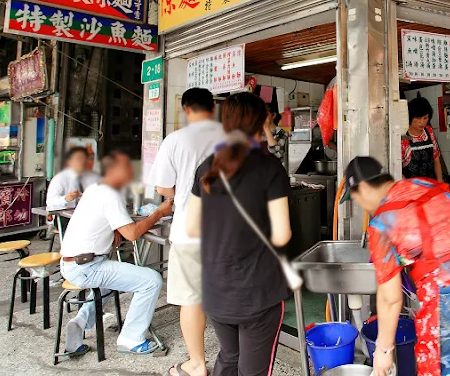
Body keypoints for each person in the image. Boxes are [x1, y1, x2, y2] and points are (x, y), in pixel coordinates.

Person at [344, 157, 450, 376]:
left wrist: (383, 350)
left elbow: (390, 298)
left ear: (364, 188)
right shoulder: (425, 185)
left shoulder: (381, 224)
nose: (359, 205)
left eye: (355, 198)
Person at [185, 92, 292, 376]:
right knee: (252, 370)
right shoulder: (270, 169)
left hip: (216, 291)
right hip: (258, 292)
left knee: (230, 357)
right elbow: (282, 235)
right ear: (260, 122)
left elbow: (192, 228)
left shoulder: (207, 166)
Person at [60, 151, 173, 357]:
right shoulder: (110, 195)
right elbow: (131, 234)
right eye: (127, 167)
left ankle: (81, 321)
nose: (131, 171)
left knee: (107, 285)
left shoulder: (95, 189)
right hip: (87, 267)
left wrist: (113, 230)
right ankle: (131, 339)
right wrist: (159, 213)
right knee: (151, 280)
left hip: (73, 263)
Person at [149, 88, 223, 376]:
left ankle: (197, 363)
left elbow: (164, 188)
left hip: (190, 232)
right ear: (213, 109)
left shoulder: (175, 140)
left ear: (186, 109)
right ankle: (234, 355)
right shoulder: (230, 138)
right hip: (229, 232)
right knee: (227, 293)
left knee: (191, 299)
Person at [401, 96, 443, 181]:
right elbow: (397, 169)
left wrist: (440, 184)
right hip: (411, 189)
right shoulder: (403, 136)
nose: (422, 122)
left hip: (431, 186)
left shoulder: (429, 131)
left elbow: (436, 160)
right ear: (410, 117)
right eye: (418, 118)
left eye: (425, 118)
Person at [46, 147, 101, 211]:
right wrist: (65, 199)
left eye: (85, 159)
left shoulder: (94, 177)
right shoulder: (60, 178)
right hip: (65, 216)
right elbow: (50, 202)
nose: (82, 162)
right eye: (79, 159)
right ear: (69, 162)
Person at [263, 100, 289, 170]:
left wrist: (266, 128)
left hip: (275, 173)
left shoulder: (282, 133)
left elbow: (276, 151)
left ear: (273, 115)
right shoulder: (259, 134)